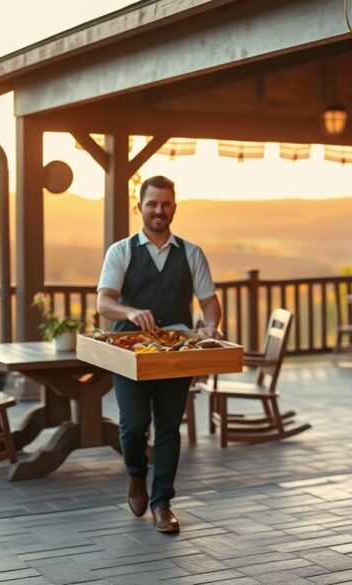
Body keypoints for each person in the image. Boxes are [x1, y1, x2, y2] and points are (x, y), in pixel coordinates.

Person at [96, 175, 221, 534]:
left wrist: (210, 326)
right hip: (129, 354)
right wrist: (131, 312)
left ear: (174, 208)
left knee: (168, 427)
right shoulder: (120, 251)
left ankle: (162, 502)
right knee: (133, 425)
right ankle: (136, 474)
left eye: (165, 204)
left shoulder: (192, 253)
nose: (159, 211)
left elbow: (210, 304)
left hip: (175, 353)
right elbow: (104, 302)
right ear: (140, 207)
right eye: (152, 204)